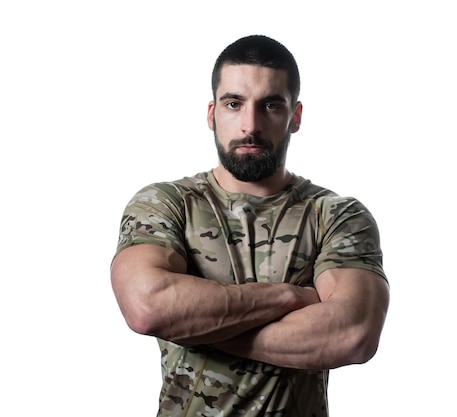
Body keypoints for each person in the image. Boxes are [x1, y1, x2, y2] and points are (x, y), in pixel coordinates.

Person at [110, 34, 390, 417]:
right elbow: (147, 307)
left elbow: (353, 335)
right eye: (234, 103)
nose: (250, 124)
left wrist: (198, 324)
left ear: (295, 116)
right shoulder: (167, 203)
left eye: (271, 105)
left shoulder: (337, 215)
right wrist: (289, 298)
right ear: (212, 113)